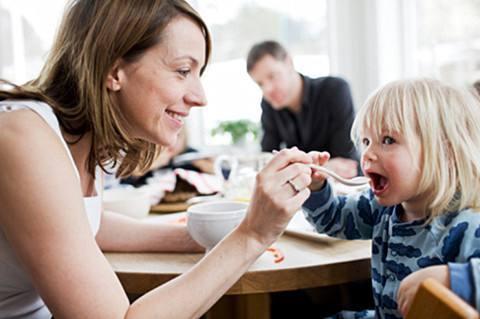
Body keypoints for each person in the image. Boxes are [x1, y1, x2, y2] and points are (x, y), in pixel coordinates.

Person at [0, 1, 314, 318]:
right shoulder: (25, 137)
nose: (200, 97)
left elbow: (79, 224)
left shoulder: (73, 137)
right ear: (114, 70)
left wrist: (209, 235)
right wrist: (253, 236)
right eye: (182, 71)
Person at [300, 78, 480, 319]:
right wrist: (316, 186)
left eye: (387, 140)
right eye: (365, 141)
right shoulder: (382, 207)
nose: (368, 154)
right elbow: (333, 218)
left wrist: (452, 279)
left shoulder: (467, 225)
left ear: (445, 152)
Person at [246, 40, 359, 178]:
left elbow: (345, 163)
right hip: (306, 189)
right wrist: (321, 167)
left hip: (348, 186)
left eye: (272, 76)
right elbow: (268, 161)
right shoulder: (269, 104)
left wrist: (293, 168)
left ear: (289, 63)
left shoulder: (335, 90)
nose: (267, 89)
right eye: (260, 84)